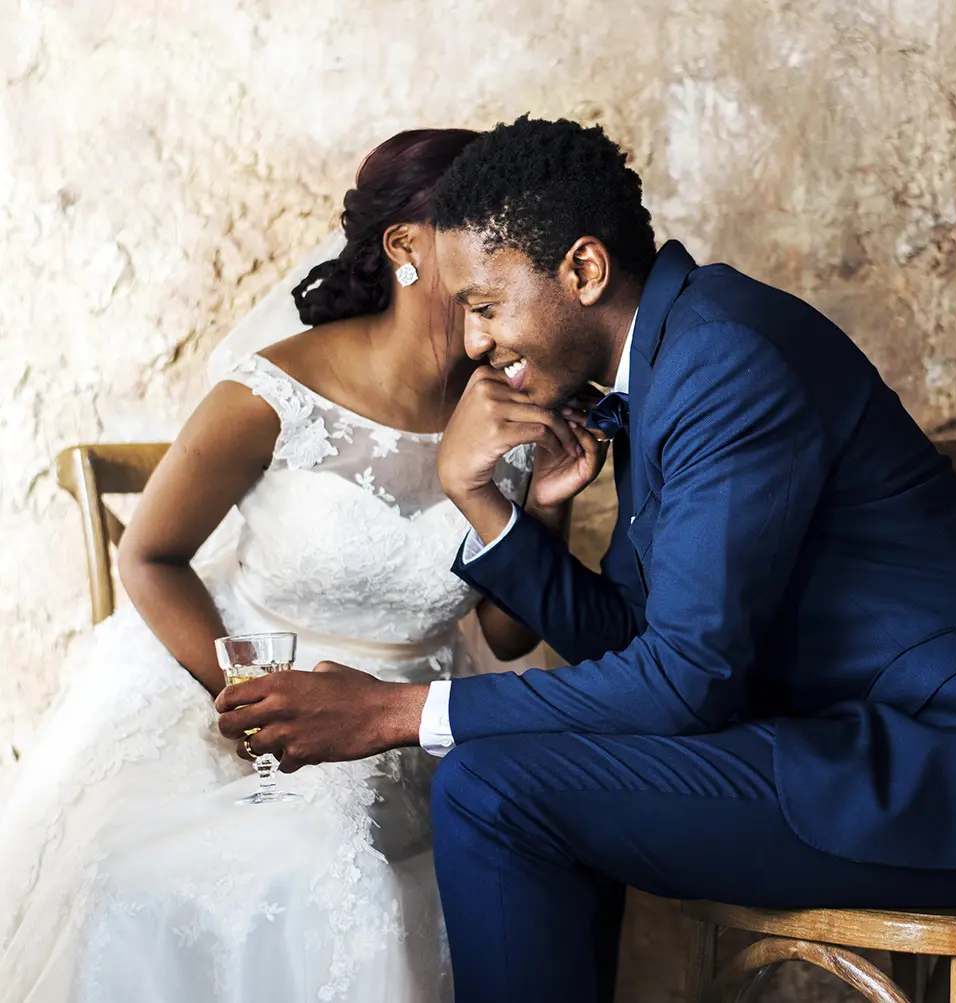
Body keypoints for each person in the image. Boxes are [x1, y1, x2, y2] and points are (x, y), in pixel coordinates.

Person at [221, 116, 956, 1003]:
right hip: (861, 748)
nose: (474, 342)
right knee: (504, 773)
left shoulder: (724, 358)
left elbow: (684, 681)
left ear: (583, 269)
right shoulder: (668, 356)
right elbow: (637, 642)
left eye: (486, 304)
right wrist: (484, 500)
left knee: (494, 788)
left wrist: (395, 711)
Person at [0, 128, 591, 1003]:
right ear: (406, 247)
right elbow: (150, 554)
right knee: (202, 872)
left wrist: (542, 505)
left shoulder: (514, 399)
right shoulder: (272, 394)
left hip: (414, 719)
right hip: (243, 688)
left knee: (493, 871)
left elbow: (506, 636)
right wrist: (248, 695)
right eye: (482, 232)